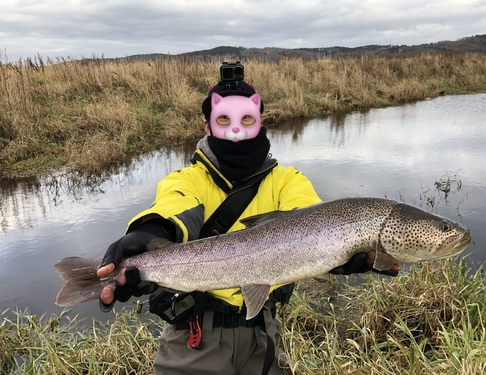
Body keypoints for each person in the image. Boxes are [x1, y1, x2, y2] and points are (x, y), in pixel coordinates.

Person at [97, 70, 400, 375]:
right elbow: (174, 209)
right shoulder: (187, 179)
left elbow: (314, 220)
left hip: (262, 335)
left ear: (260, 120)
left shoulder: (287, 180)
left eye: (246, 119)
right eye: (224, 120)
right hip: (193, 337)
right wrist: (150, 233)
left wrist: (342, 255)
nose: (236, 129)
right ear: (207, 125)